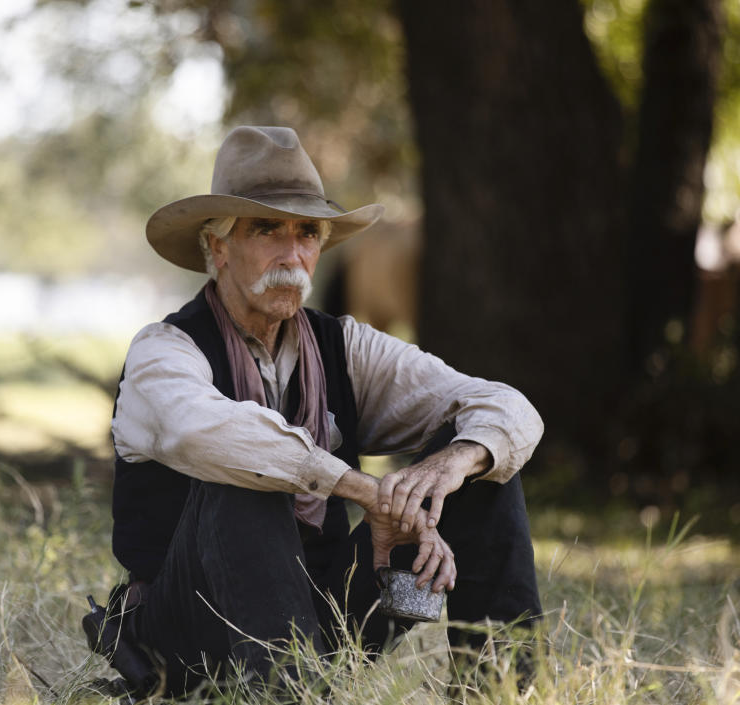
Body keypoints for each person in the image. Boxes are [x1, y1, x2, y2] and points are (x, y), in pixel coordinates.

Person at [105, 125, 544, 696]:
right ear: (218, 248)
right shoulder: (163, 351)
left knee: (482, 469)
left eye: (307, 233)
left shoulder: (345, 346)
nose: (292, 254)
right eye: (266, 229)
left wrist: (447, 471)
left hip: (323, 621)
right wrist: (368, 492)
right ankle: (293, 693)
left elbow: (506, 405)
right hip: (193, 637)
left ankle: (504, 690)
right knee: (247, 475)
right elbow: (211, 435)